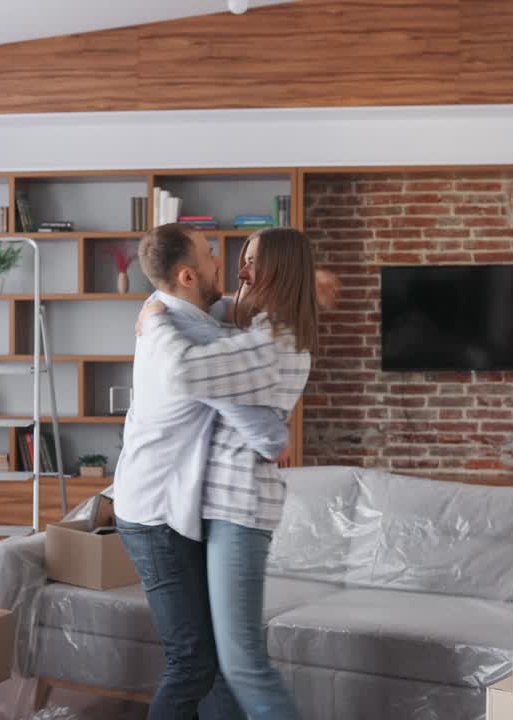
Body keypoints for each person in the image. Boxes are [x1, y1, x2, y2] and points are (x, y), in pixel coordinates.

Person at [138, 227, 327, 720]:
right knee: (221, 664)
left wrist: (156, 316)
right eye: (238, 258)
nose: (238, 270)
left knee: (242, 663)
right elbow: (210, 320)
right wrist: (158, 301)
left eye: (252, 261)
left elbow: (191, 371)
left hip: (239, 506)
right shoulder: (256, 328)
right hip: (213, 505)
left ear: (279, 272)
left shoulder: (271, 342)